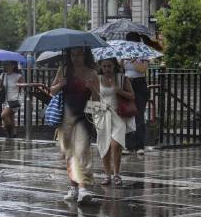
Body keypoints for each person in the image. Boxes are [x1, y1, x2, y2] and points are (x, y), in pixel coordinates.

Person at [50, 47, 99, 204]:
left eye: (79, 54)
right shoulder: (64, 71)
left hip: (84, 116)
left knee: (82, 152)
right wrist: (60, 85)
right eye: (72, 54)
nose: (75, 57)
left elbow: (98, 98)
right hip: (66, 117)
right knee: (69, 153)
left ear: (85, 55)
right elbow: (51, 91)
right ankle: (73, 187)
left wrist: (92, 88)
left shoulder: (92, 73)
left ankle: (83, 188)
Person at [96, 58, 135, 187]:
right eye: (104, 66)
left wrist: (119, 91)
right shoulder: (97, 79)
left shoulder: (122, 78)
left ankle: (116, 174)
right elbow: (93, 97)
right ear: (101, 67)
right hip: (102, 115)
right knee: (104, 145)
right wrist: (91, 88)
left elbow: (132, 96)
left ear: (114, 66)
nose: (107, 69)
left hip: (118, 115)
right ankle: (107, 175)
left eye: (109, 66)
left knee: (116, 145)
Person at [121, 32, 149, 155]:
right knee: (127, 114)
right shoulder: (124, 51)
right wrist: (122, 58)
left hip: (139, 84)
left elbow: (143, 69)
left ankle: (139, 145)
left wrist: (133, 61)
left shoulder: (143, 52)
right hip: (127, 83)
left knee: (139, 114)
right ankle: (128, 145)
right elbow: (120, 67)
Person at [0, 61, 24, 138]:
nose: (7, 66)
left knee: (4, 115)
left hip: (15, 99)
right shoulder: (2, 75)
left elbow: (23, 88)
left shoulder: (18, 76)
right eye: (5, 64)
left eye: (8, 64)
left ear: (13, 66)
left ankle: (9, 133)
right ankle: (14, 133)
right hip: (6, 99)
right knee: (11, 117)